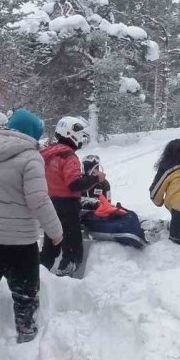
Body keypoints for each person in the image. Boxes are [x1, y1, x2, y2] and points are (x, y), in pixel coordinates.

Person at [0, 109, 63, 346]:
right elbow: (38, 199)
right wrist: (56, 232)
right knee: (25, 295)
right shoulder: (31, 157)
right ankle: (26, 345)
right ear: (32, 133)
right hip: (19, 242)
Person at [39, 116, 103, 277]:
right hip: (67, 206)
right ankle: (67, 285)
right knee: (73, 249)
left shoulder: (48, 154)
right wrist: (96, 179)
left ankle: (38, 276)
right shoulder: (69, 156)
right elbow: (74, 184)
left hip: (49, 205)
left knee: (51, 245)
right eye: (80, 134)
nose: (82, 138)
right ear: (71, 133)